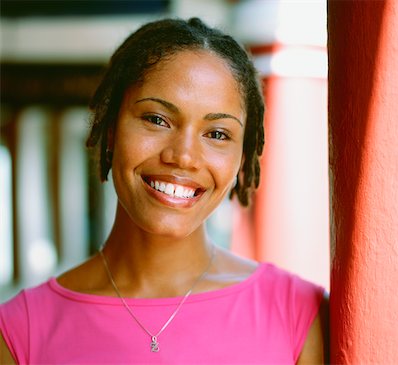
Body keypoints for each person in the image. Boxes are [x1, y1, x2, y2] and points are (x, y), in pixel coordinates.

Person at [0, 17, 326, 364]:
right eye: (157, 119)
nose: (183, 156)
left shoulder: (299, 314)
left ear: (242, 158)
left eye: (217, 134)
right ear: (110, 129)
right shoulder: (20, 331)